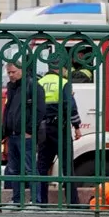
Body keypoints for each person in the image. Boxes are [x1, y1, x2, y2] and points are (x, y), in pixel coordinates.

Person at [37, 63, 83, 206]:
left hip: (43, 130)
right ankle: (72, 202)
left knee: (42, 167)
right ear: (60, 69)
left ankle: (41, 202)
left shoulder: (39, 83)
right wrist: (76, 126)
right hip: (60, 129)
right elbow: (70, 106)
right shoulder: (63, 83)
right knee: (67, 167)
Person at [1, 62, 45, 208]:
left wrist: (29, 131)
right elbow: (7, 112)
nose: (11, 75)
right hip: (13, 135)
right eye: (9, 73)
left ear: (22, 70)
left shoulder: (33, 85)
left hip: (24, 135)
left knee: (30, 168)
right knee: (14, 169)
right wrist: (2, 134)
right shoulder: (12, 87)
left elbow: (39, 111)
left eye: (13, 72)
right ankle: (17, 200)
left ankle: (35, 201)